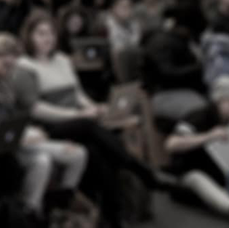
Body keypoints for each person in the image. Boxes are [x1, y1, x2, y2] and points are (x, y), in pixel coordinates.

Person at [16, 12, 162, 227]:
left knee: (97, 154)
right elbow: (35, 109)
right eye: (41, 34)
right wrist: (77, 114)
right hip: (49, 125)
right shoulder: (24, 66)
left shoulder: (62, 60)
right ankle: (137, 168)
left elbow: (77, 94)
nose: (47, 38)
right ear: (29, 36)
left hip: (78, 123)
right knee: (88, 126)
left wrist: (93, 107)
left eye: (51, 33)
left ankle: (113, 217)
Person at [0, 33, 87, 221]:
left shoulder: (2, 81)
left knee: (70, 155)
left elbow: (12, 115)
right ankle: (31, 213)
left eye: (11, 64)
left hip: (8, 137)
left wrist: (22, 130)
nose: (9, 69)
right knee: (46, 160)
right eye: (5, 64)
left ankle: (47, 210)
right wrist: (14, 130)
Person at [165, 77, 229, 219]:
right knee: (198, 179)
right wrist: (209, 136)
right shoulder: (199, 116)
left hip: (219, 172)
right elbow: (171, 144)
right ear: (219, 101)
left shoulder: (226, 120)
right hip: (191, 173)